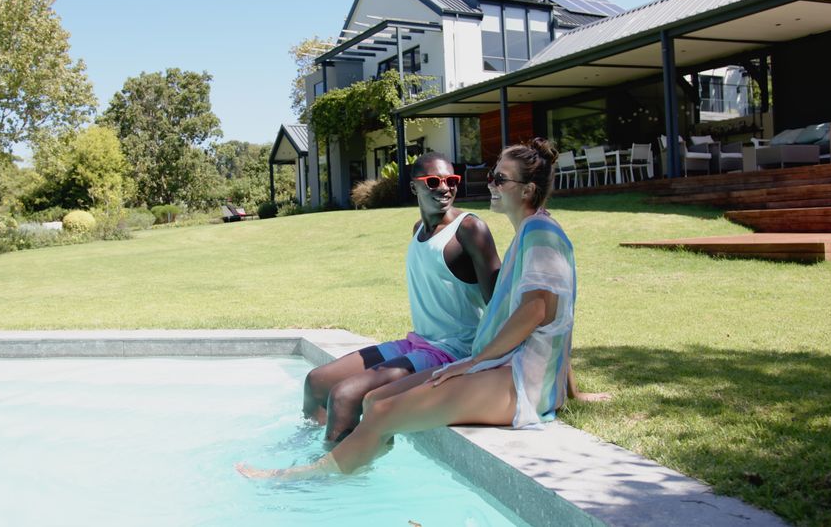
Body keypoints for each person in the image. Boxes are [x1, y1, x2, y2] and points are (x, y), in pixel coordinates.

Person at [240, 138, 594, 479]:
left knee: (383, 412)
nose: (489, 184)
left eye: (499, 178)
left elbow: (538, 313)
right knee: (375, 401)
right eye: (492, 176)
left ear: (527, 189)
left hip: (518, 381)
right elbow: (558, 319)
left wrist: (473, 361)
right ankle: (350, 466)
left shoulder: (540, 233)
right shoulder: (529, 232)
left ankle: (313, 476)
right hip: (496, 366)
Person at [302, 151, 501, 442]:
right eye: (433, 181)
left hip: (453, 352)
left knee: (345, 396)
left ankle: (333, 476)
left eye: (451, 180)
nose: (444, 188)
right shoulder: (418, 229)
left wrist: (492, 362)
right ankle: (310, 446)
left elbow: (499, 302)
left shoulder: (470, 229)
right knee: (317, 381)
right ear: (414, 187)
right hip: (418, 341)